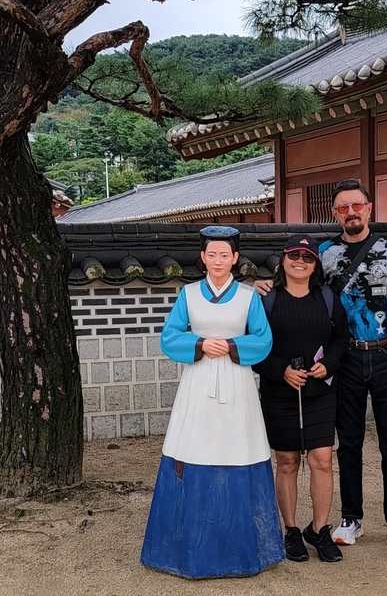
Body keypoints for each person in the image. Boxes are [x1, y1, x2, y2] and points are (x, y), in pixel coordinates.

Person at [254, 179, 387, 550]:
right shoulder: (324, 253)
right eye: (343, 207)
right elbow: (298, 280)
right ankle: (351, 517)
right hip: (345, 357)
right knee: (348, 441)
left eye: (357, 205)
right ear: (335, 214)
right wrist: (264, 285)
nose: (351, 212)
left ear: (369, 208)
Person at [141, 226, 284, 579]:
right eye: (212, 254)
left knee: (240, 447)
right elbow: (170, 336)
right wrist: (201, 344)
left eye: (225, 254)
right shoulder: (188, 294)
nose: (218, 261)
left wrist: (233, 345)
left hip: (237, 382)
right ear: (202, 257)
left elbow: (263, 339)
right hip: (199, 380)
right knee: (193, 447)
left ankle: (245, 550)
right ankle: (185, 548)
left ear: (235, 258)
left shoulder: (248, 297)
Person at [253, 234, 349, 564]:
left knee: (322, 459)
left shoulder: (328, 297)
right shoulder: (266, 299)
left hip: (320, 391)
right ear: (282, 260)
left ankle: (319, 530)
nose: (300, 261)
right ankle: (291, 530)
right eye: (294, 255)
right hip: (279, 393)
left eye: (308, 257)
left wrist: (329, 364)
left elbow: (341, 339)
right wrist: (280, 370)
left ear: (315, 264)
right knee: (288, 461)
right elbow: (253, 348)